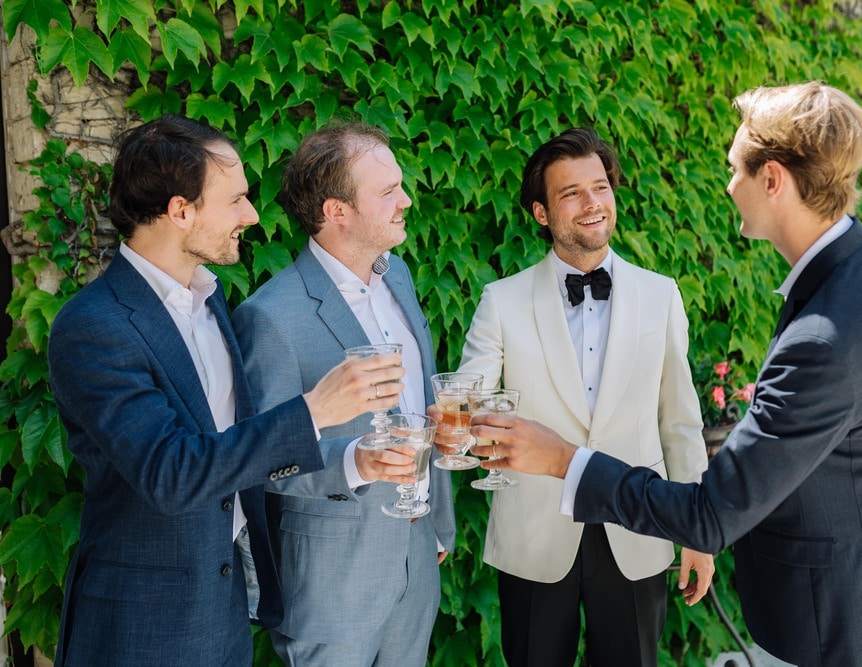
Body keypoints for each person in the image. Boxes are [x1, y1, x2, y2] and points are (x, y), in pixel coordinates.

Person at [471, 83, 862, 667]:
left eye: (734, 169)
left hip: (854, 613)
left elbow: (709, 506)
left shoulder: (817, 337)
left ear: (771, 179)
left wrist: (561, 460)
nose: (728, 186)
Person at [47, 115, 406, 666]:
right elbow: (171, 473)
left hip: (225, 607)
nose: (252, 214)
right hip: (142, 622)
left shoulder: (210, 299)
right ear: (180, 211)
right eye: (235, 200)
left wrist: (351, 460)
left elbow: (235, 449)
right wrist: (313, 411)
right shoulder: (94, 326)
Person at [440, 127, 714, 667]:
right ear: (541, 213)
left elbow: (680, 422)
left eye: (600, 188)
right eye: (571, 193)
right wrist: (457, 421)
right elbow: (471, 399)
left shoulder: (661, 295)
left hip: (638, 527)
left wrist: (697, 530)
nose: (592, 204)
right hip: (534, 535)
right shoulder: (501, 301)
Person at [232, 120, 456, 667]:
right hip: (334, 585)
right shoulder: (270, 318)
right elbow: (261, 461)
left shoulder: (399, 276)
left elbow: (413, 405)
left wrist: (437, 526)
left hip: (419, 558)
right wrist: (357, 461)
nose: (406, 200)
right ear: (337, 211)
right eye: (388, 191)